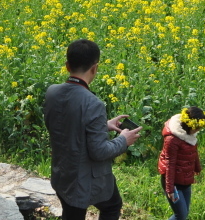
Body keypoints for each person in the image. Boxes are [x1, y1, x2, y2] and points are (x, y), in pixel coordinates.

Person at [44, 39, 141, 220]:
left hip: (62, 174)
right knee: (112, 207)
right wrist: (123, 140)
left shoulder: (52, 92)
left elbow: (62, 125)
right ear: (95, 68)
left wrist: (103, 125)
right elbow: (99, 151)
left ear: (67, 66)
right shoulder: (93, 103)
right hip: (84, 181)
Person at [158, 106, 205, 220]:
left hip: (185, 179)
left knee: (184, 214)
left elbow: (193, 151)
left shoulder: (190, 135)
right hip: (174, 183)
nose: (198, 131)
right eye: (197, 128)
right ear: (190, 125)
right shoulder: (172, 139)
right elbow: (170, 164)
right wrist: (170, 189)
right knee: (180, 216)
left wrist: (197, 168)